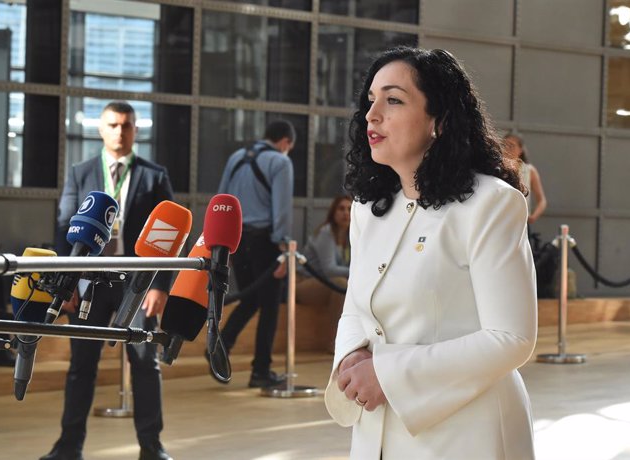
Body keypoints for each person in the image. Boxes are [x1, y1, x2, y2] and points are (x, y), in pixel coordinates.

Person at [323, 47, 537, 459]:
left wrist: (386, 374)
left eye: (394, 100)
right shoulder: (369, 208)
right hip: (377, 429)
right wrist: (350, 359)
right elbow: (356, 308)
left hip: (468, 433)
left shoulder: (491, 204)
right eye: (371, 100)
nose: (372, 114)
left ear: (438, 120)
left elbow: (512, 338)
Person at [41, 101, 175, 460]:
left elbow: (170, 234)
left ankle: (152, 447)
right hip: (88, 284)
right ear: (101, 129)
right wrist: (64, 284)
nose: (120, 131)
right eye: (113, 124)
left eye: (127, 125)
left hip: (137, 285)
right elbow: (64, 230)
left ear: (136, 130)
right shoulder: (80, 172)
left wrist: (161, 284)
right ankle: (68, 446)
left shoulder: (154, 175)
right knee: (81, 367)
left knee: (146, 364)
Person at [217, 119, 296, 388]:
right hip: (266, 242)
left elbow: (222, 199)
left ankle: (219, 346)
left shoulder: (237, 157)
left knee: (250, 299)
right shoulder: (280, 162)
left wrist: (220, 243)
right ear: (286, 142)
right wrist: (283, 247)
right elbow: (282, 208)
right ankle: (260, 370)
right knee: (270, 306)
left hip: (236, 239)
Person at [296, 194, 351, 352]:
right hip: (303, 283)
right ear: (333, 212)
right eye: (341, 209)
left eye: (349, 209)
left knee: (346, 284)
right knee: (341, 283)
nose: (346, 213)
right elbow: (329, 269)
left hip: (327, 284)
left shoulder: (351, 235)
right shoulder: (326, 233)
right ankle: (333, 342)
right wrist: (356, 271)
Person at [504, 132, 548, 225]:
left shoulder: (529, 171)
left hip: (522, 221)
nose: (507, 149)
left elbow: (541, 200)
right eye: (504, 145)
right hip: (502, 219)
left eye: (511, 146)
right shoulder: (497, 168)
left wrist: (534, 216)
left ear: (520, 150)